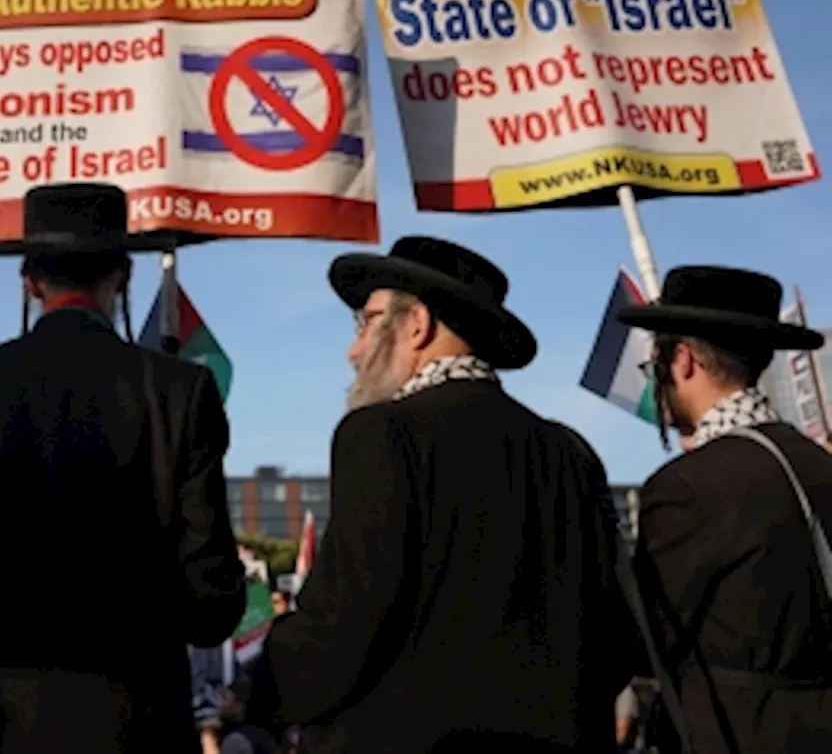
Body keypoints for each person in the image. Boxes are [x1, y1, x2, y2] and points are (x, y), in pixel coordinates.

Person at [250, 236, 636, 753]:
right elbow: (613, 634)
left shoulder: (383, 433)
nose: (354, 350)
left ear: (416, 325)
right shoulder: (571, 451)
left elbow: (345, 622)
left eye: (366, 321)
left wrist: (263, 683)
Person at [0, 182, 246, 753]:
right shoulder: (180, 390)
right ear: (125, 277)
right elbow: (210, 602)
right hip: (135, 719)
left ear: (31, 282)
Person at [617, 266, 832, 754]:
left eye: (655, 366)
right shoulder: (818, 464)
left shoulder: (691, 487)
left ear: (684, 360)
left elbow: (641, 638)